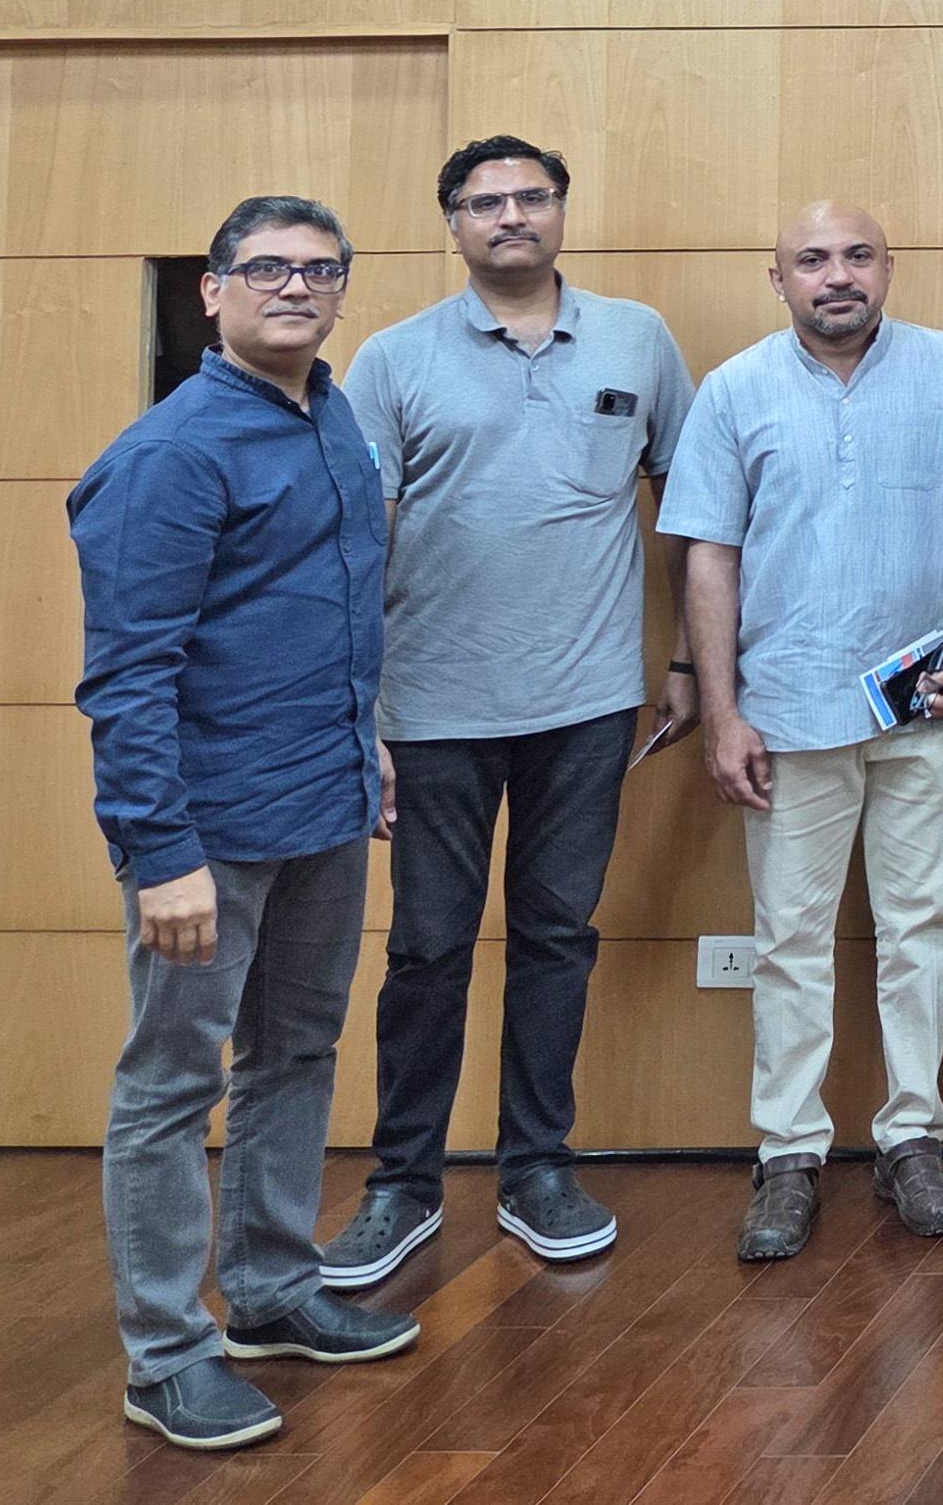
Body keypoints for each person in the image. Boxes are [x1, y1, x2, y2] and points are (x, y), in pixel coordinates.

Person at [315, 134, 697, 1289]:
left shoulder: (637, 338)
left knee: (556, 937)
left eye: (532, 196)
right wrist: (356, 707)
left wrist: (685, 662)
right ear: (453, 226)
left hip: (587, 704)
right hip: (430, 706)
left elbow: (688, 504)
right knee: (428, 947)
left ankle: (537, 1167)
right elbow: (354, 538)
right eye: (487, 202)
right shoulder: (390, 359)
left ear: (563, 212)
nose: (512, 215)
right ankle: (403, 1185)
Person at [75, 196, 420, 1451]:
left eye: (320, 268)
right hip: (206, 832)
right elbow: (127, 673)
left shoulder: (330, 417)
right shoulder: (173, 453)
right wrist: (159, 854)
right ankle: (167, 1355)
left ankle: (272, 1291)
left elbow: (328, 608)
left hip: (323, 803)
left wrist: (361, 739)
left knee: (297, 1054)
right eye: (266, 267)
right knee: (171, 1084)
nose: (296, 285)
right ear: (211, 292)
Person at [663, 200, 943, 1265]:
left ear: (888, 268)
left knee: (925, 924)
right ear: (774, 277)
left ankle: (912, 1136)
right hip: (785, 713)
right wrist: (723, 710)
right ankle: (789, 1152)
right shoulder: (734, 390)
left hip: (931, 704)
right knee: (790, 938)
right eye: (813, 259)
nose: (839, 275)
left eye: (859, 256)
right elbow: (709, 557)